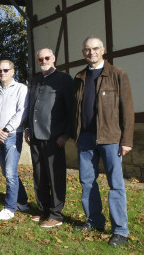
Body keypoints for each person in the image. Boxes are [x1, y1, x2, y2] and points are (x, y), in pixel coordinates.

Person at [71, 36, 134, 247]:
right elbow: (76, 110)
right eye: (87, 49)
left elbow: (127, 110)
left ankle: (120, 230)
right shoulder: (79, 77)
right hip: (86, 139)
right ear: (83, 52)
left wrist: (126, 140)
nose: (92, 52)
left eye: (95, 48)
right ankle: (94, 221)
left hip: (110, 138)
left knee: (115, 184)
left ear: (103, 50)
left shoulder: (117, 75)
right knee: (87, 182)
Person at [24, 48, 73, 228]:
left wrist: (66, 134)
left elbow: (71, 109)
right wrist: (28, 128)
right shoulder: (36, 80)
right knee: (39, 175)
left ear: (53, 58)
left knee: (55, 176)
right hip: (36, 136)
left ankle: (56, 214)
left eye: (46, 58)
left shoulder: (64, 79)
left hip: (54, 136)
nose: (43, 61)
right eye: (40, 59)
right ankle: (43, 209)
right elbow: (31, 107)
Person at [0, 60, 29, 221]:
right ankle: (23, 202)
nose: (2, 73)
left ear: (13, 71)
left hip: (12, 136)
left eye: (5, 70)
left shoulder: (21, 89)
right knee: (7, 172)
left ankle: (9, 208)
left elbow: (22, 112)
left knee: (10, 173)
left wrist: (6, 129)